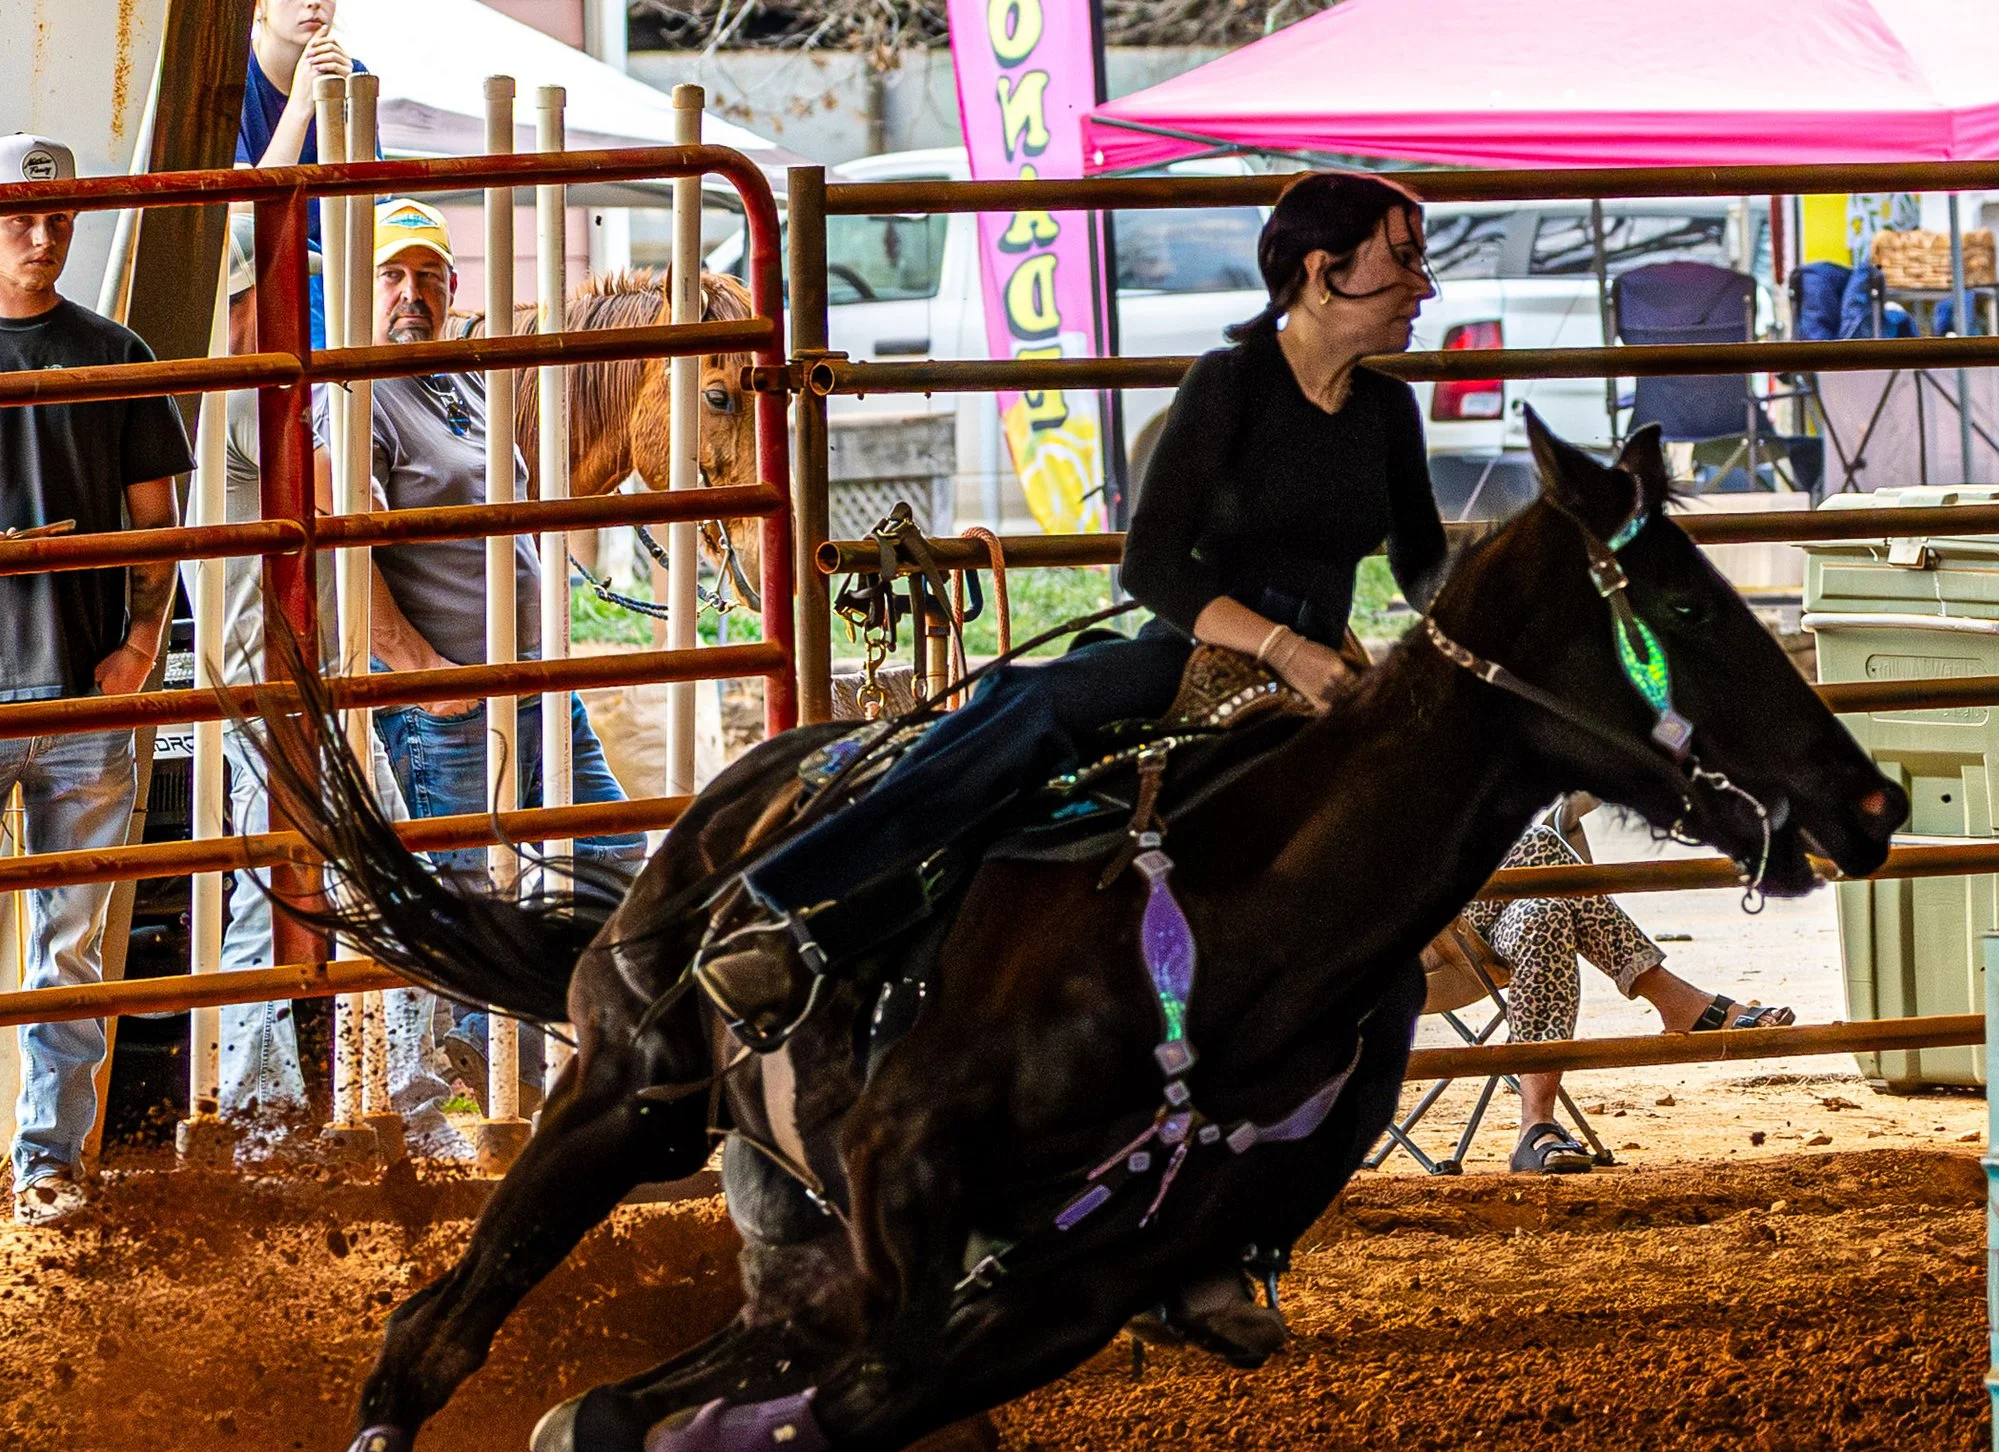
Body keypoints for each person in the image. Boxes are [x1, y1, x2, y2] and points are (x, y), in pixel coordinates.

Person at [697, 170, 1448, 1051]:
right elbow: (1152, 563)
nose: (1423, 287)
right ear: (1324, 272)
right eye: (1403, 260)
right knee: (1030, 704)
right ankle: (790, 903)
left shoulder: (1388, 410)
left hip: (1325, 661)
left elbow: (1425, 563)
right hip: (1207, 645)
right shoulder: (1230, 385)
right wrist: (1283, 648)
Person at [182, 215, 470, 1155]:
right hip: (273, 689)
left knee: (364, 885)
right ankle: (274, 1122)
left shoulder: (280, 394)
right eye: (246, 299)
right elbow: (337, 495)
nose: (260, 313)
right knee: (281, 902)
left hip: (312, 683)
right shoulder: (236, 399)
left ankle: (388, 1103)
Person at [349, 199, 641, 1112]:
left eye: (428, 277)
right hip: (453, 699)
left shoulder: (468, 387)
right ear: (362, 292)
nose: (411, 295)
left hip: (536, 687)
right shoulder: (356, 401)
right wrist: (422, 672)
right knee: (477, 894)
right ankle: (483, 1099)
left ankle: (531, 1063)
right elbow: (344, 555)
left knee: (613, 842)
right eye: (392, 277)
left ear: (453, 288)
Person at [0, 135, 195, 1224]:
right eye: (22, 218)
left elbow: (153, 527)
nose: (41, 236)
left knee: (72, 943)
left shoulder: (116, 351)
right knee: (64, 939)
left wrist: (140, 644)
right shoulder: (112, 350)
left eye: (59, 218)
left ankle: (48, 1165)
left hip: (84, 690)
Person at [1467, 803, 1792, 1174]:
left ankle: (1536, 1126)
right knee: (1541, 844)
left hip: (1493, 907)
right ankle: (1675, 998)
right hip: (1425, 925)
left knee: (1546, 914)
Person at [235, 0, 367, 348]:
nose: (313, 3)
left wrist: (342, 107)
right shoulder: (235, 80)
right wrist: (301, 105)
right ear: (259, 6)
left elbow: (372, 201)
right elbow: (242, 207)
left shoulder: (353, 78)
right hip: (258, 270)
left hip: (336, 266)